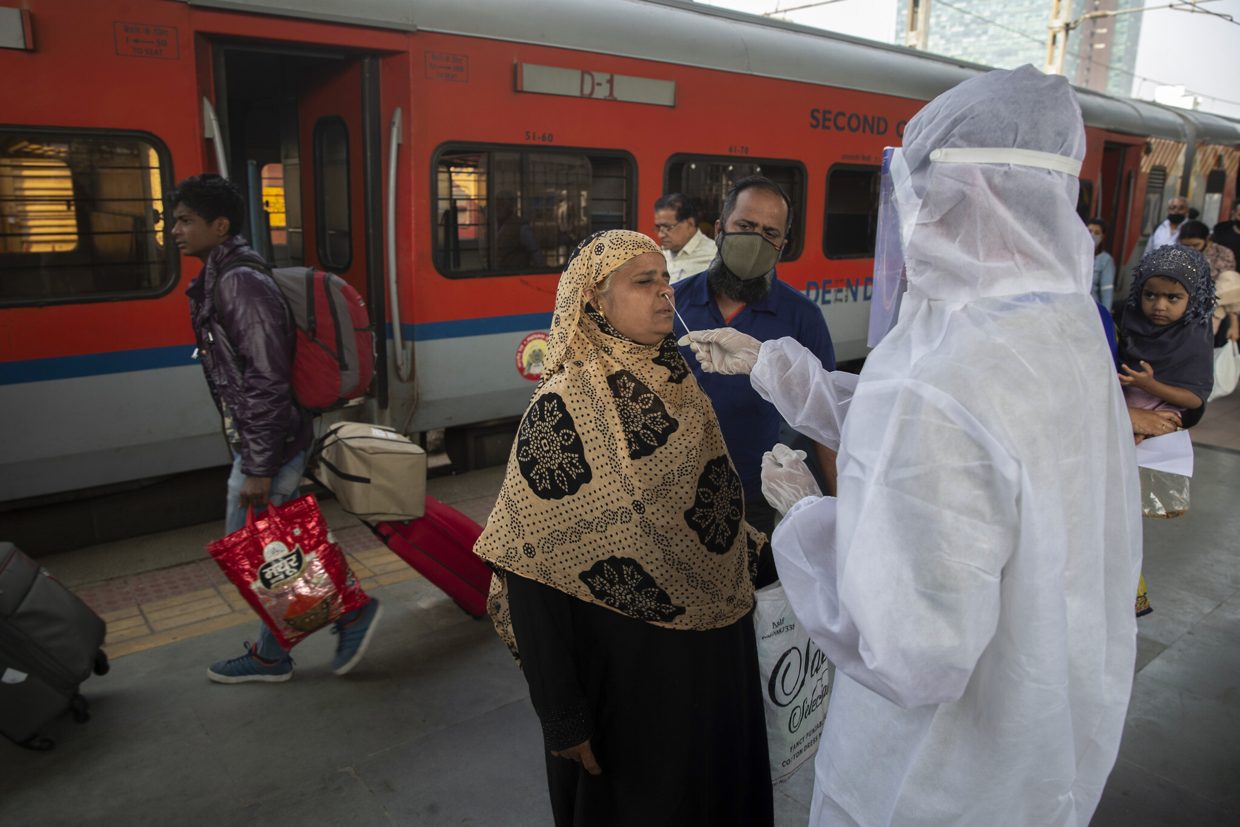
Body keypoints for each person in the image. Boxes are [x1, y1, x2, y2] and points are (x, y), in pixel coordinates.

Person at [684, 66, 1142, 825]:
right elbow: (930, 427)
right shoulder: (1055, 325)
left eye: (921, 194)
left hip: (922, 781)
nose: (912, 217)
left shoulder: (949, 370)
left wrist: (806, 523)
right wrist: (778, 368)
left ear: (970, 195)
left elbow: (910, 652)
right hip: (1035, 749)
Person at [473, 230, 773, 827]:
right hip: (626, 685)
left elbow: (717, 528)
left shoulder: (683, 389)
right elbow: (531, 568)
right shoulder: (562, 407)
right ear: (594, 302)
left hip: (714, 665)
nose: (666, 294)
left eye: (666, 280)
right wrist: (562, 714)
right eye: (644, 282)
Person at [172, 174, 381, 684]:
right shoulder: (225, 276)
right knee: (271, 547)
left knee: (258, 547)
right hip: (267, 436)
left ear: (218, 226)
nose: (173, 230)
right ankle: (273, 653)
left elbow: (266, 375)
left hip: (271, 440)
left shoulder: (237, 282)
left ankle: (348, 614)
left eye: (184, 221)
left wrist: (260, 463)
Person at [672, 176, 836, 586]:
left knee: (749, 605)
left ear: (782, 246)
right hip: (671, 488)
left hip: (754, 494)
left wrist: (837, 508)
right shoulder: (673, 303)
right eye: (745, 227)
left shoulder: (802, 317)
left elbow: (825, 415)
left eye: (770, 233)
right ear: (719, 229)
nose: (756, 240)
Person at [1118, 244, 1214, 419]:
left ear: (1194, 298)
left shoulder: (1194, 337)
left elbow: (1195, 399)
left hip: (1162, 429)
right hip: (1116, 418)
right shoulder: (1122, 319)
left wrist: (1149, 385)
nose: (1159, 306)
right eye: (1150, 295)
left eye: (1172, 298)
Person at [653, 192, 716, 282]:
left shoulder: (714, 256)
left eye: (667, 227)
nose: (660, 235)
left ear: (690, 224)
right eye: (658, 227)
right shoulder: (657, 255)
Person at [495, 191, 546, 268]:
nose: (498, 208)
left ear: (510, 206)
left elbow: (535, 251)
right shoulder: (497, 225)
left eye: (502, 204)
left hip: (516, 273)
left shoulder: (520, 226)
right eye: (497, 204)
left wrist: (542, 271)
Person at [1088, 217, 1116, 309]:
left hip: (1093, 311)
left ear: (1102, 237)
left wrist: (1105, 318)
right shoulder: (1075, 256)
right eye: (1089, 231)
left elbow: (1106, 293)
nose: (1092, 235)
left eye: (1097, 233)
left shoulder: (1105, 260)